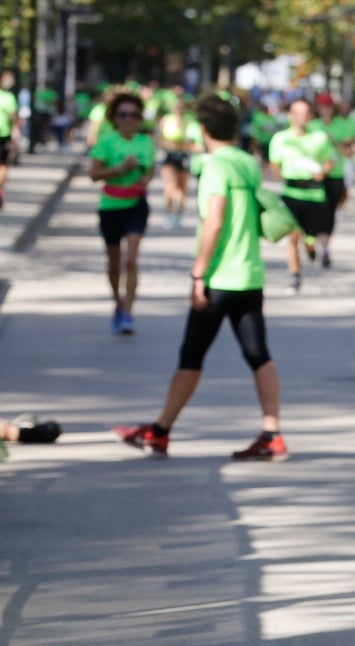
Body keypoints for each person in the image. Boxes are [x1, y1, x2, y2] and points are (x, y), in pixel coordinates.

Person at [115, 95, 287, 462]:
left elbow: (215, 220)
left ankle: (160, 432)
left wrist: (198, 273)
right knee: (259, 355)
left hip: (220, 277)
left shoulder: (215, 166)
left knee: (191, 355)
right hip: (250, 273)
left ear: (204, 129)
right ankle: (272, 433)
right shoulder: (246, 162)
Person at [87, 91, 155, 336]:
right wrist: (120, 168)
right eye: (124, 115)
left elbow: (150, 170)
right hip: (110, 206)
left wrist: (144, 179)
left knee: (131, 260)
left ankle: (128, 311)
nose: (129, 119)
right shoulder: (106, 141)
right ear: (115, 118)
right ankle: (117, 302)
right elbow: (94, 174)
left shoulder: (146, 142)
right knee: (114, 261)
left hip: (136, 205)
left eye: (135, 115)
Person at [267, 99, 336, 294]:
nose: (300, 117)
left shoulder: (320, 137)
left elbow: (331, 161)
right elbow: (274, 164)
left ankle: (312, 246)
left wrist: (322, 172)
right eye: (296, 113)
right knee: (292, 237)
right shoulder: (280, 138)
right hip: (291, 193)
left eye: (304, 113)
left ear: (310, 116)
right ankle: (295, 276)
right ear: (290, 115)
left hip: (314, 193)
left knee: (310, 236)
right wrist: (279, 173)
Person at [311, 95, 355, 268]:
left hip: (336, 174)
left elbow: (349, 153)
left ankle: (325, 248)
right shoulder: (312, 126)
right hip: (316, 175)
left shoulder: (342, 125)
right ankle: (311, 240)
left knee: (329, 212)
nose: (326, 109)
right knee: (315, 211)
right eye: (322, 106)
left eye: (328, 106)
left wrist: (335, 142)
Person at [156, 95, 200, 228]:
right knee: (170, 186)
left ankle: (178, 215)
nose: (179, 110)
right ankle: (169, 214)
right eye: (177, 107)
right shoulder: (166, 120)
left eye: (182, 107)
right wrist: (174, 145)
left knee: (182, 189)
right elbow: (160, 140)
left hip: (184, 157)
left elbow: (195, 144)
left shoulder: (190, 122)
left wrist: (182, 145)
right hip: (170, 156)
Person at [0, 71, 18, 211]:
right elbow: (13, 118)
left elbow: (13, 117)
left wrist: (15, 131)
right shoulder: (8, 97)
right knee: (3, 166)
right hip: (3, 135)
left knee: (3, 165)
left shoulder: (9, 97)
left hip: (3, 136)